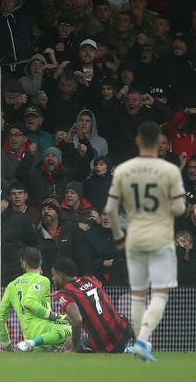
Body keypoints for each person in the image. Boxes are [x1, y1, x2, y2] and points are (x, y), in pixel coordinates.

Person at [105, 121, 186, 362]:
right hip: (160, 237)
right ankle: (142, 340)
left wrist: (119, 236)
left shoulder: (123, 170)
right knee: (159, 295)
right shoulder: (170, 171)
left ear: (138, 142)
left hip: (136, 238)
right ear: (160, 143)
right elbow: (180, 208)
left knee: (138, 296)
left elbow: (110, 209)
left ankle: (140, 341)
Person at [0, 247, 71, 352]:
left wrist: (8, 347)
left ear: (23, 263)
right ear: (40, 261)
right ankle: (41, 344)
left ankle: (34, 344)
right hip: (45, 329)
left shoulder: (12, 285)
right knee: (70, 329)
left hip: (29, 334)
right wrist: (57, 317)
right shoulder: (43, 280)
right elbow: (29, 302)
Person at [52, 258, 133, 353]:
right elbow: (87, 293)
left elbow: (77, 320)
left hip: (103, 343)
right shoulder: (90, 278)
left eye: (54, 275)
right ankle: (140, 344)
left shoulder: (66, 294)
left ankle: (123, 350)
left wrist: (74, 349)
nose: (52, 278)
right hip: (123, 331)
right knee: (120, 318)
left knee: (69, 342)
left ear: (61, 276)